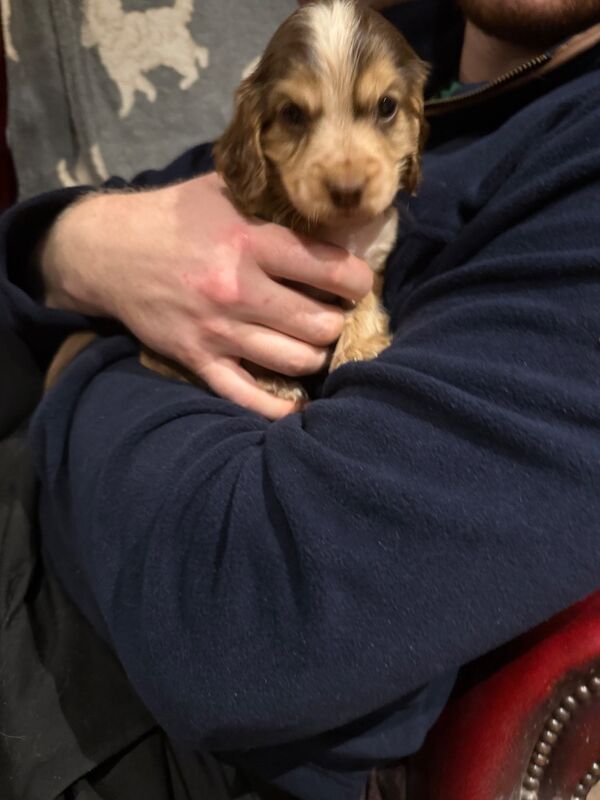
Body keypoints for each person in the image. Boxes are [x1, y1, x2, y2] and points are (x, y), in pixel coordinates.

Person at [1, 0, 600, 798]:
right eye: (299, 119)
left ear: (406, 115)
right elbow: (40, 280)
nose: (349, 169)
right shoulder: (397, 38)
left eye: (384, 112)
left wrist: (83, 356)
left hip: (109, 726)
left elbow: (249, 622)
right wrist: (80, 243)